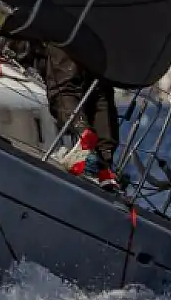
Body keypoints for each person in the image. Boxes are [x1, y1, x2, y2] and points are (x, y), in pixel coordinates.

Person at [29, 40, 120, 189]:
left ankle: (83, 134)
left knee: (63, 88)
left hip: (72, 27)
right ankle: (104, 166)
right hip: (104, 37)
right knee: (100, 91)